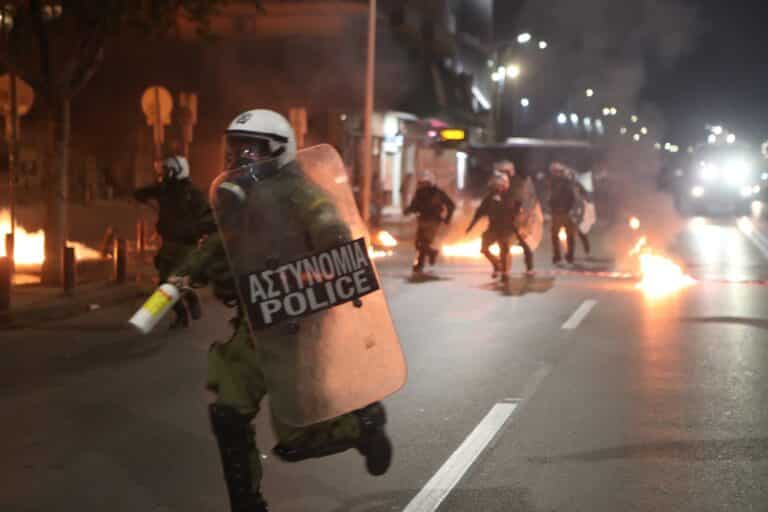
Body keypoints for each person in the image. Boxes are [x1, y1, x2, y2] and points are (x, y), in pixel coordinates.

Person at [168, 110, 393, 512]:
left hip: (294, 324)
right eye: (233, 149)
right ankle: (248, 506)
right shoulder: (238, 200)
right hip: (254, 321)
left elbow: (333, 236)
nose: (238, 159)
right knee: (228, 415)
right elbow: (217, 245)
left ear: (279, 151)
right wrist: (180, 278)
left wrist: (321, 258)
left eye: (249, 150)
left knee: (297, 437)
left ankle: (363, 425)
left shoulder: (302, 195)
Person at [134, 155, 211, 328]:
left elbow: (207, 217)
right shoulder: (164, 190)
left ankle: (190, 300)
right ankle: (182, 314)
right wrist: (149, 192)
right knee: (163, 284)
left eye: (167, 171)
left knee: (172, 283)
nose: (164, 174)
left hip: (186, 246)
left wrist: (200, 233)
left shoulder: (193, 194)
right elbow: (139, 193)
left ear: (177, 171)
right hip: (168, 243)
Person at [466, 163, 534, 281]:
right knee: (484, 248)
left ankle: (509, 271)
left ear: (504, 185)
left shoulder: (512, 195)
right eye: (495, 185)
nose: (496, 187)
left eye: (498, 185)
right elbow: (481, 210)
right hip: (494, 227)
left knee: (509, 248)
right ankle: (497, 264)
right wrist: (471, 225)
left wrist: (522, 221)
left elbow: (519, 209)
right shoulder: (491, 197)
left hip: (510, 227)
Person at [404, 170, 455, 274]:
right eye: (421, 183)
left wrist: (447, 218)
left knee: (424, 243)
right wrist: (408, 211)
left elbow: (451, 205)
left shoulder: (438, 193)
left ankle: (422, 262)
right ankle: (430, 254)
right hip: (423, 220)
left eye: (425, 183)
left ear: (430, 183)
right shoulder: (419, 193)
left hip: (433, 221)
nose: (423, 185)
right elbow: (415, 206)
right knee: (419, 244)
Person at [548, 162, 577, 265]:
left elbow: (571, 197)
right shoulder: (554, 182)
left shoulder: (564, 183)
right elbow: (552, 198)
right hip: (558, 213)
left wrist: (570, 210)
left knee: (569, 236)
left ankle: (567, 256)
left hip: (564, 212)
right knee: (557, 236)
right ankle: (561, 256)